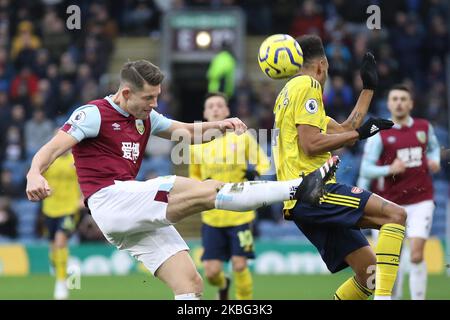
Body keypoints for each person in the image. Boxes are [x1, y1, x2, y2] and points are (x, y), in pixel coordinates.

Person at [26, 59, 338, 300]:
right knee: (209, 190)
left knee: (191, 284)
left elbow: (187, 132)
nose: (154, 104)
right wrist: (34, 173)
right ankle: (299, 187)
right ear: (125, 93)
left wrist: (223, 125)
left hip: (131, 213)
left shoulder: (146, 116)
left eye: (157, 97)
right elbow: (52, 148)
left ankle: (299, 188)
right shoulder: (93, 114)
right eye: (149, 98)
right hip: (110, 199)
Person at [272, 35, 407, 300]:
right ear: (322, 64)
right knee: (396, 215)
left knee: (370, 275)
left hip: (299, 199)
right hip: (313, 190)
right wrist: (361, 135)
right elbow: (311, 144)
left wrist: (368, 89)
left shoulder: (289, 93)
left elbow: (346, 128)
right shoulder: (308, 85)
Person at [359, 84, 441, 300]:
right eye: (394, 99)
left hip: (420, 200)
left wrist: (435, 160)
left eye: (403, 99)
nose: (399, 102)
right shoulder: (381, 133)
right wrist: (389, 169)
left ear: (411, 103)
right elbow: (365, 169)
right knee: (389, 261)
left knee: (415, 255)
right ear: (388, 104)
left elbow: (432, 148)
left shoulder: (424, 127)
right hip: (388, 205)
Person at [189, 92, 271, 300]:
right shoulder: (197, 144)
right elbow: (195, 178)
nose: (216, 109)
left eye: (219, 105)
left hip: (241, 213)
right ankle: (223, 284)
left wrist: (256, 174)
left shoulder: (242, 136)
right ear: (205, 113)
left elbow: (263, 164)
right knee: (211, 272)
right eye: (211, 106)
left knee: (240, 264)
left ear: (227, 111)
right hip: (213, 215)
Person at [42, 148, 80, 300]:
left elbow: (84, 179)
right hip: (49, 209)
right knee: (53, 248)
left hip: (70, 208)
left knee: (60, 241)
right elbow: (39, 178)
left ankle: (61, 283)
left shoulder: (75, 160)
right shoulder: (48, 161)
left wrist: (83, 198)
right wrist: (45, 189)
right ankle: (59, 267)